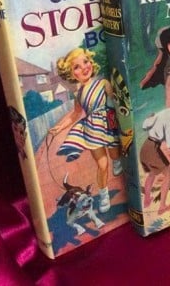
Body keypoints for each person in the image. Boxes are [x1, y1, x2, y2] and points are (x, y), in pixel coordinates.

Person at [49, 48, 122, 214]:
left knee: (114, 155)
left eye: (85, 62)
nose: (84, 67)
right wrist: (60, 127)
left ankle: (117, 160)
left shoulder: (103, 83)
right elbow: (75, 114)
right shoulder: (79, 93)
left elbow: (115, 100)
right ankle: (104, 195)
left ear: (91, 62)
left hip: (109, 124)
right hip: (92, 130)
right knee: (102, 165)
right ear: (71, 74)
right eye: (76, 67)